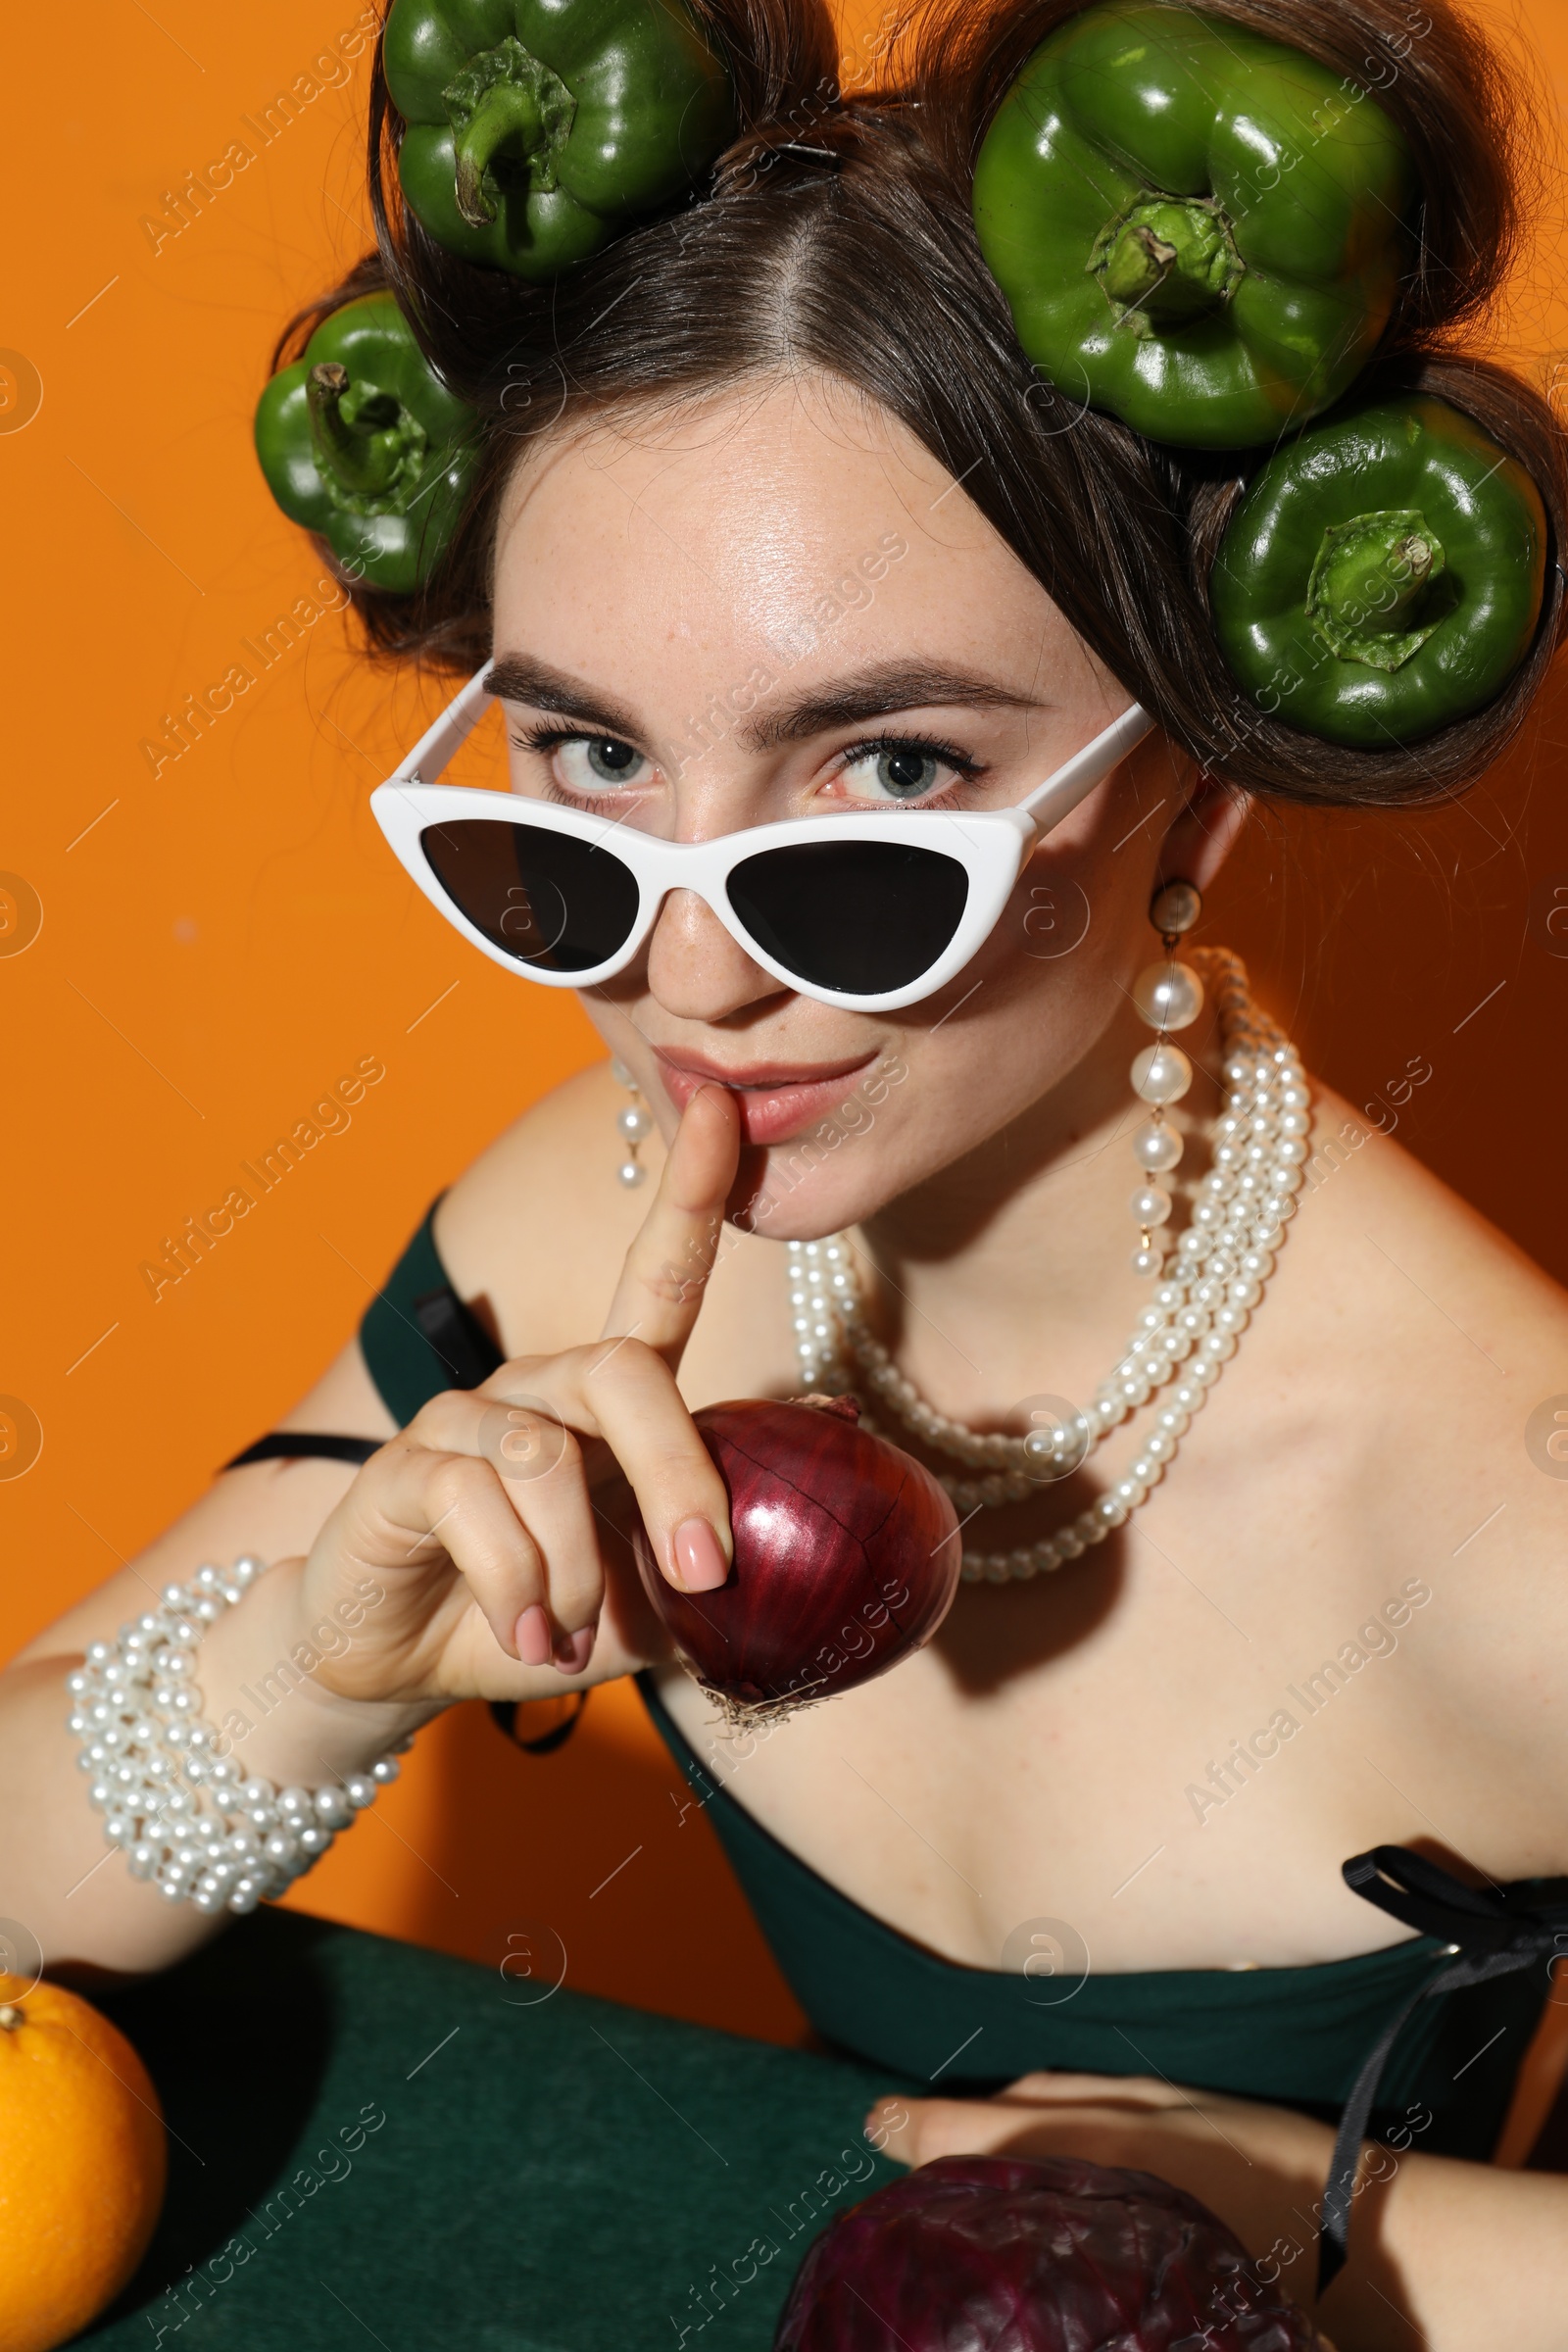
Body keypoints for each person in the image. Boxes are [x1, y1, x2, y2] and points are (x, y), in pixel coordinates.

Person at [6, 0, 1566, 2341]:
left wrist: (1330, 2226)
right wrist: (310, 1680)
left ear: (1201, 793)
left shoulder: (1506, 1513)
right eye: (584, 763)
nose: (683, 970)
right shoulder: (588, 1219)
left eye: (889, 778)